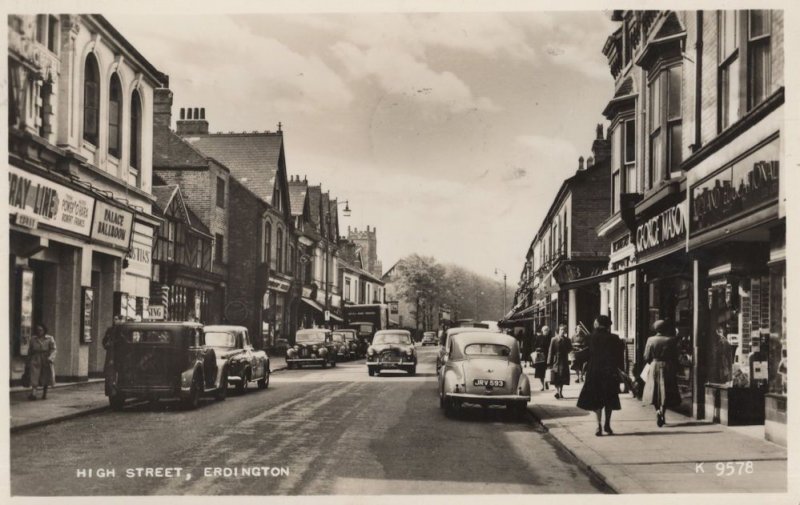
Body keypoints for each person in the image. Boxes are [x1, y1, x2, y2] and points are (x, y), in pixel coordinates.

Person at [577, 315, 624, 436]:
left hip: (595, 371)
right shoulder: (615, 338)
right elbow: (619, 357)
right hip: (610, 371)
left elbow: (586, 355)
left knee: (596, 398)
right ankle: (607, 424)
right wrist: (621, 372)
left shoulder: (590, 338)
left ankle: (598, 425)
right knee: (609, 398)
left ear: (597, 324)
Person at [641, 320, 682, 427]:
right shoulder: (670, 340)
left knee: (654, 390)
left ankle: (657, 411)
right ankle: (662, 413)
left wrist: (653, 360)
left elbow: (646, 356)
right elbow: (675, 356)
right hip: (667, 367)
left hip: (654, 365)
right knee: (665, 391)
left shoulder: (650, 340)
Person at [27, 323, 56, 400]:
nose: (39, 331)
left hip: (46, 359)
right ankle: (34, 394)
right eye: (37, 330)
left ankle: (44, 393)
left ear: (44, 330)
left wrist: (51, 358)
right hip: (35, 358)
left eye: (40, 330)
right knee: (34, 375)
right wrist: (28, 359)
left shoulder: (50, 338)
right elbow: (30, 350)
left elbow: (53, 349)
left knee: (45, 376)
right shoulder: (33, 339)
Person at [548, 324, 573, 399]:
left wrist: (572, 358)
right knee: (556, 377)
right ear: (558, 331)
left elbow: (570, 350)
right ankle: (556, 391)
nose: (563, 331)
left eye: (564, 330)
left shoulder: (567, 340)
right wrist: (549, 362)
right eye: (561, 329)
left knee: (562, 377)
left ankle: (560, 392)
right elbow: (550, 351)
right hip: (556, 361)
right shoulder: (554, 339)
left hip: (564, 360)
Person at [533, 326, 552, 390]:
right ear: (542, 331)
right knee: (540, 372)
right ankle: (542, 385)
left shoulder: (550, 338)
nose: (546, 331)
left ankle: (546, 382)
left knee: (547, 371)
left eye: (547, 330)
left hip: (547, 356)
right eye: (545, 330)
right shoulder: (539, 337)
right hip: (540, 356)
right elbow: (535, 346)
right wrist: (537, 349)